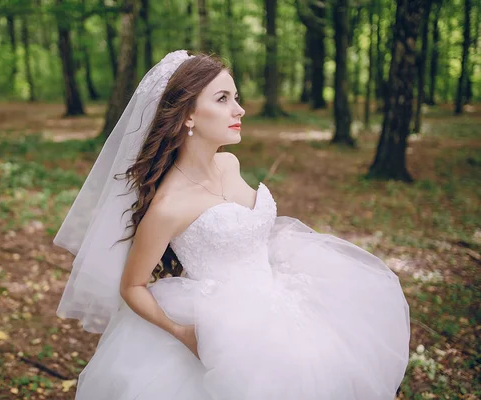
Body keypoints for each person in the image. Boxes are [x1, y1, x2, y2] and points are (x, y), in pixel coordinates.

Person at [53, 50, 411, 400]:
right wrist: (182, 332)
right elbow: (132, 286)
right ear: (188, 116)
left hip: (283, 297)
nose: (239, 110)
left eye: (235, 97)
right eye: (222, 98)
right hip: (224, 328)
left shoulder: (230, 164)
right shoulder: (168, 206)